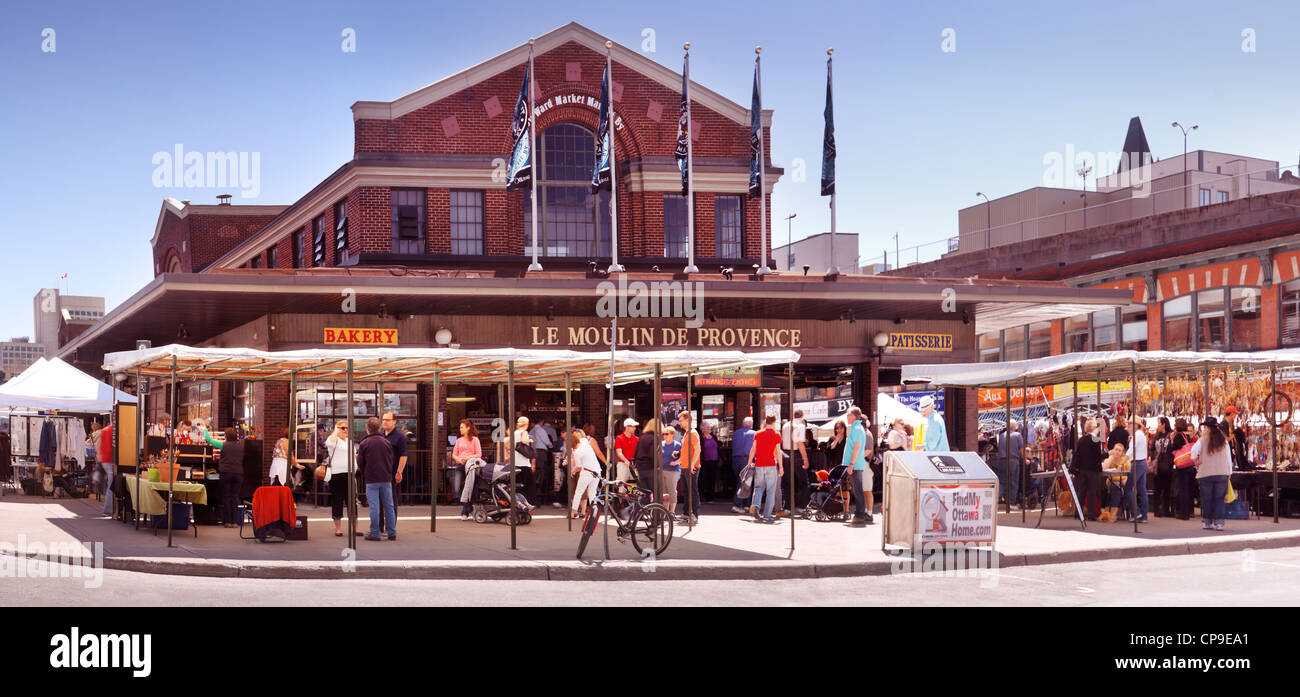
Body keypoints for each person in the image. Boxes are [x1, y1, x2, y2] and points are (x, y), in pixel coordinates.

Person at [357, 417, 397, 541]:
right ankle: (392, 532)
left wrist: (365, 473)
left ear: (367, 428)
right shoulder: (386, 442)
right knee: (389, 506)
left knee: (374, 506)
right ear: (379, 428)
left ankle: (375, 532)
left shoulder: (364, 443)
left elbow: (360, 462)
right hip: (386, 478)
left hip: (372, 479)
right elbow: (391, 460)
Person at [1192, 417, 1232, 531]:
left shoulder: (1202, 440)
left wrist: (1196, 460)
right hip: (1222, 472)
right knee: (1219, 499)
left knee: (1207, 498)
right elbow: (1228, 457)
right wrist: (1229, 472)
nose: (1204, 429)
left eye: (1205, 427)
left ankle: (1207, 522)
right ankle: (1219, 523)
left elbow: (1193, 453)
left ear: (1208, 428)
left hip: (1206, 473)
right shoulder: (1223, 440)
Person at [204, 427, 246, 528]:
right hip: (238, 474)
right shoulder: (241, 446)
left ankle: (227, 522)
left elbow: (209, 440)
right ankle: (234, 522)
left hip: (226, 473)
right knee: (235, 498)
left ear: (226, 436)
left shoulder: (223, 445)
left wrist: (205, 430)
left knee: (226, 497)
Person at [746, 415, 782, 523]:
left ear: (765, 422)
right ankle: (767, 515)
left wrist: (749, 463)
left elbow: (753, 449)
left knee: (758, 487)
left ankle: (756, 505)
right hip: (771, 464)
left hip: (759, 464)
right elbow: (778, 452)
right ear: (774, 422)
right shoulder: (776, 435)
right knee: (771, 489)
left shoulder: (758, 433)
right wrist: (781, 466)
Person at [842, 407, 873, 524]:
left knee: (858, 490)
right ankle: (860, 514)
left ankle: (859, 515)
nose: (847, 417)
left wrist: (851, 464)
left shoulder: (856, 429)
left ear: (854, 415)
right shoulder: (857, 428)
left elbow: (856, 448)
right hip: (855, 465)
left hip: (855, 465)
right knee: (857, 490)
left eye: (848, 414)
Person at [1070, 418, 1104, 521]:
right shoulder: (1096, 440)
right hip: (1092, 470)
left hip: (1082, 470)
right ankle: (1090, 514)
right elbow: (1098, 456)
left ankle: (1078, 512)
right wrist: (1106, 454)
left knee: (1082, 492)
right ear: (1094, 428)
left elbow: (1078, 455)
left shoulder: (1081, 440)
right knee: (1092, 492)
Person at [323, 420, 353, 537]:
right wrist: (336, 430)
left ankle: (354, 527)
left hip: (349, 473)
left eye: (346, 428)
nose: (345, 430)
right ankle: (338, 528)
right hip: (336, 474)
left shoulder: (349, 442)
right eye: (342, 428)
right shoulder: (333, 440)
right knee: (337, 501)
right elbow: (328, 443)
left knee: (352, 501)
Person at [780, 410, 810, 514]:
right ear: (802, 416)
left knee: (787, 483)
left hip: (785, 453)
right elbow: (799, 443)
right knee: (804, 482)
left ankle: (787, 507)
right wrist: (805, 459)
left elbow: (783, 442)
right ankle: (801, 506)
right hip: (796, 454)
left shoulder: (785, 425)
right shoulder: (800, 426)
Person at [451, 419, 481, 520]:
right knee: (457, 487)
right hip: (460, 465)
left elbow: (479, 454)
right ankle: (469, 508)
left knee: (469, 488)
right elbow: (454, 454)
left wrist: (468, 458)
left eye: (462, 427)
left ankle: (465, 511)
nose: (460, 429)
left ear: (468, 428)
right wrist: (459, 459)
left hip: (471, 466)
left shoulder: (475, 440)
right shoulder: (459, 440)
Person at [568, 428, 601, 518]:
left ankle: (573, 512)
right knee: (592, 493)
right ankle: (594, 511)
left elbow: (578, 467)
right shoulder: (586, 443)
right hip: (597, 470)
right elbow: (582, 438)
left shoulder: (577, 452)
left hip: (587, 472)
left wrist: (572, 471)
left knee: (578, 492)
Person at [677, 411, 702, 524]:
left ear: (687, 420)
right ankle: (686, 513)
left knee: (692, 491)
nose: (679, 423)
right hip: (685, 465)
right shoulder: (687, 433)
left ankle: (694, 515)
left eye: (681, 420)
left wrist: (692, 464)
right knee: (686, 491)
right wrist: (678, 453)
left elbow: (698, 450)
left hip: (691, 466)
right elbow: (688, 450)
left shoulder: (692, 433)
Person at [380, 412, 408, 513]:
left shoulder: (400, 437)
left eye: (387, 420)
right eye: (383, 420)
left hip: (392, 474)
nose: (385, 422)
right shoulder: (381, 435)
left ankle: (390, 527)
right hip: (381, 473)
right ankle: (379, 527)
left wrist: (399, 472)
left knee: (391, 502)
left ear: (394, 422)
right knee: (380, 503)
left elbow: (403, 455)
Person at [1125, 418, 1150, 522]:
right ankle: (1143, 516)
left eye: (1131, 424)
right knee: (1142, 490)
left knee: (1127, 488)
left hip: (1138, 463)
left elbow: (1131, 449)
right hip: (1141, 463)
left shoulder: (1137, 435)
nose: (1129, 426)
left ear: (1136, 425)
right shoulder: (1140, 434)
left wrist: (1123, 461)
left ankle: (1137, 513)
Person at [996, 419, 1025, 507]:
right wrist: (1024, 459)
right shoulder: (1018, 435)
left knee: (1002, 482)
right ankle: (1011, 503)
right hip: (1013, 460)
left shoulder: (1001, 436)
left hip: (1002, 461)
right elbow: (1022, 450)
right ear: (1014, 427)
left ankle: (995, 501)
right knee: (1013, 482)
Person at [1172, 418, 1197, 520]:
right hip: (1189, 465)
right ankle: (1187, 512)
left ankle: (1184, 513)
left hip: (1182, 466)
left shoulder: (1178, 436)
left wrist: (1172, 441)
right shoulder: (1187, 436)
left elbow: (1174, 448)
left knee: (1183, 490)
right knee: (1187, 490)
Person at [730, 417, 755, 514]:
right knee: (745, 483)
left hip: (736, 460)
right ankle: (736, 505)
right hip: (747, 460)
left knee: (742, 482)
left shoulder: (736, 433)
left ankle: (746, 505)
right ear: (751, 424)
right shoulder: (754, 433)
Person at [1151, 417, 1175, 517]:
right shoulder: (1156, 436)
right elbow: (1151, 449)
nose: (1158, 425)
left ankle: (1166, 509)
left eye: (1159, 423)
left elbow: (1173, 449)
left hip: (1168, 466)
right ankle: (1157, 510)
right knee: (1157, 488)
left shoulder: (1171, 435)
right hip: (1158, 466)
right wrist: (1153, 459)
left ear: (1164, 424)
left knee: (1167, 489)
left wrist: (1171, 461)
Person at [633, 418, 661, 502]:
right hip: (650, 468)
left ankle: (634, 513)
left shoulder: (642, 437)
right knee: (657, 493)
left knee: (644, 494)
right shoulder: (653, 438)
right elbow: (652, 454)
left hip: (641, 468)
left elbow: (636, 453)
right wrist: (658, 466)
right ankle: (657, 514)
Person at [529, 417, 554, 505]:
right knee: (541, 473)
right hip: (541, 452)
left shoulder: (531, 431)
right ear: (542, 421)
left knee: (535, 473)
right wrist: (551, 446)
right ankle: (539, 495)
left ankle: (534, 496)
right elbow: (546, 441)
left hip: (533, 452)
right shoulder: (540, 430)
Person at [513, 416, 536, 504]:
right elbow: (523, 441)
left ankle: (518, 502)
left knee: (517, 485)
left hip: (515, 462)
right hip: (524, 462)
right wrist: (529, 440)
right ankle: (528, 503)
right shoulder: (524, 432)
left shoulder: (514, 433)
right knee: (530, 485)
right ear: (527, 424)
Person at [660, 426, 682, 518]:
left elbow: (683, 457)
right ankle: (665, 511)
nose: (664, 436)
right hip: (662, 470)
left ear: (672, 435)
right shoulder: (661, 444)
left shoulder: (677, 445)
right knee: (664, 491)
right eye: (663, 434)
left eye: (666, 434)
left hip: (673, 470)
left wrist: (676, 462)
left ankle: (672, 512)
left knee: (672, 490)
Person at [96, 421, 114, 517]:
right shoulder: (114, 430)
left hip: (104, 460)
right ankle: (107, 510)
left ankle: (109, 509)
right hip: (111, 460)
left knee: (110, 485)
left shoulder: (104, 430)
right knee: (111, 486)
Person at [699, 421, 720, 502]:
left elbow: (718, 448)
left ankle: (710, 497)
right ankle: (701, 496)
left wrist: (721, 458)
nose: (709, 428)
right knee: (703, 479)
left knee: (712, 479)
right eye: (707, 427)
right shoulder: (701, 438)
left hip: (714, 461)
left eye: (709, 427)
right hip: (704, 461)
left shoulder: (714, 437)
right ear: (703, 429)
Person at [614, 418, 639, 484]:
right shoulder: (619, 438)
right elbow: (619, 452)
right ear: (627, 427)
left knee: (636, 485)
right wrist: (626, 460)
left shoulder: (636, 439)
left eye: (635, 426)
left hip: (634, 465)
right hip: (623, 464)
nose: (635, 428)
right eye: (633, 426)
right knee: (621, 485)